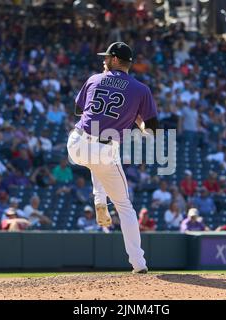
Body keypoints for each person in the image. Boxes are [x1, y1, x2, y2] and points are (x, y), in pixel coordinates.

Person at [67, 42, 158, 274]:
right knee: (124, 206)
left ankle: (99, 200)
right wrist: (138, 120)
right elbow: (152, 129)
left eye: (107, 57)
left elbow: (80, 111)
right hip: (105, 150)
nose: (103, 60)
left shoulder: (94, 79)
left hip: (76, 143)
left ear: (116, 60)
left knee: (95, 163)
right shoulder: (141, 89)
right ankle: (139, 263)